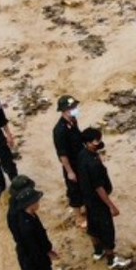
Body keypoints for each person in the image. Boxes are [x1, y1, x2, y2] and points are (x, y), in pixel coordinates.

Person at [76, 127, 125, 269]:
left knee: (93, 226)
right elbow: (99, 188)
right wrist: (111, 206)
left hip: (88, 199)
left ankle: (98, 251)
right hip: (98, 201)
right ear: (88, 143)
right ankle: (111, 259)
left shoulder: (82, 155)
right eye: (96, 141)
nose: (99, 142)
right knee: (107, 230)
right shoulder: (93, 163)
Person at [50, 96, 85, 226]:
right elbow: (62, 154)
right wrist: (69, 171)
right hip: (71, 164)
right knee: (74, 189)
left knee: (85, 184)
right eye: (72, 108)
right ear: (64, 110)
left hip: (81, 159)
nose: (75, 109)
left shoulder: (73, 121)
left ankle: (85, 206)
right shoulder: (59, 130)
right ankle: (78, 216)